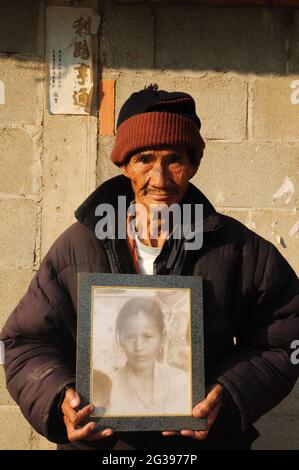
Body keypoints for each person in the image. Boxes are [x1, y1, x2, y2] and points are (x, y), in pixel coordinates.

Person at [1, 85, 299, 450]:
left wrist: (228, 390)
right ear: (124, 164)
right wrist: (58, 397)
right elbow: (23, 342)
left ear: (192, 164)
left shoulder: (239, 250)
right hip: (105, 449)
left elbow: (286, 338)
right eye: (144, 159)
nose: (159, 178)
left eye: (174, 159)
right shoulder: (76, 246)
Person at [103, 297, 190, 416]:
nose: (139, 347)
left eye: (148, 337)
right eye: (130, 337)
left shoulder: (181, 381)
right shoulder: (109, 387)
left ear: (162, 338)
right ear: (120, 339)